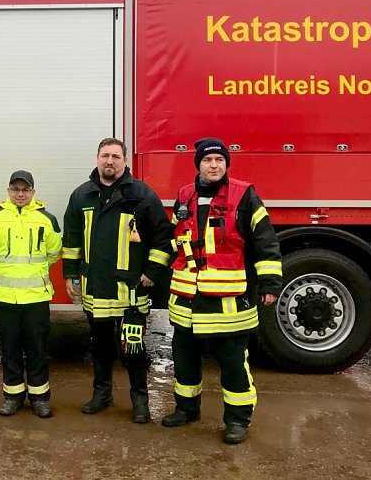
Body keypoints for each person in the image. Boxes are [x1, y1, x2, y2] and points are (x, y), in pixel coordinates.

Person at [160, 137, 282, 444]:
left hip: (228, 302)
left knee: (232, 364)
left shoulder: (244, 195)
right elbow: (175, 239)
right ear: (198, 164)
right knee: (184, 360)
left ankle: (237, 420)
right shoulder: (185, 195)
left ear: (226, 164)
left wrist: (269, 283)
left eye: (219, 160)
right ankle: (186, 409)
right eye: (207, 160)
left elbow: (265, 240)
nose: (214, 165)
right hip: (187, 300)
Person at [62, 138, 170, 423]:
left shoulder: (142, 195)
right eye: (105, 156)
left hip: (130, 289)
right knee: (100, 346)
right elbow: (71, 240)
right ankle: (102, 394)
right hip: (95, 287)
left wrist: (151, 271)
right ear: (97, 158)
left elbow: (162, 237)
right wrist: (70, 274)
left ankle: (139, 401)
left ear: (125, 161)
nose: (110, 161)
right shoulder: (81, 196)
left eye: (116, 156)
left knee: (134, 348)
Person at [0, 171, 62, 418]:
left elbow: (53, 253)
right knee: (10, 349)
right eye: (16, 189)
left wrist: (33, 273)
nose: (20, 194)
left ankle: (39, 399)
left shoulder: (47, 219)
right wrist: (4, 271)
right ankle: (12, 396)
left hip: (36, 298)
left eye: (25, 190)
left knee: (37, 349)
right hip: (5, 297)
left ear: (33, 193)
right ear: (8, 191)